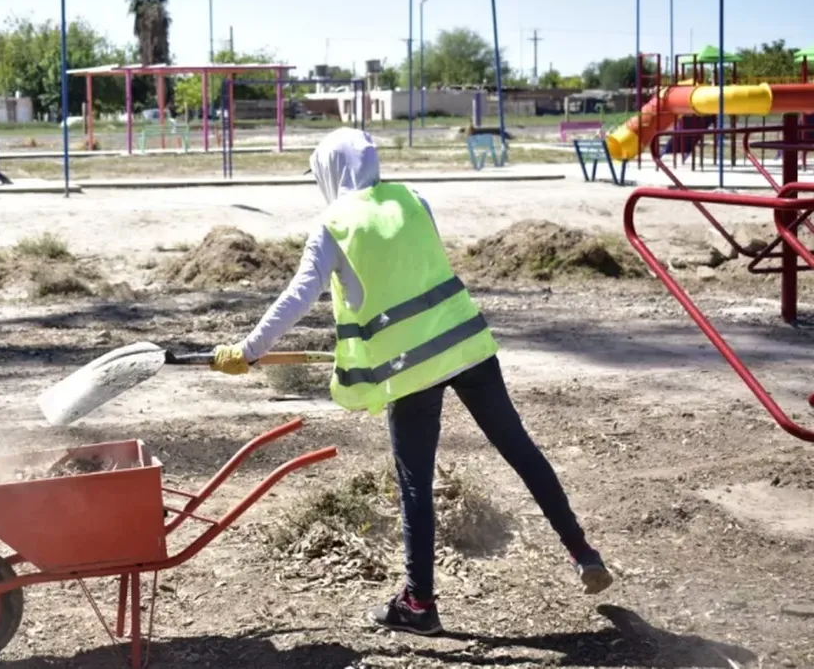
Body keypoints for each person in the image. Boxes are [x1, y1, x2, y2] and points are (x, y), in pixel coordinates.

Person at [209, 127, 612, 636]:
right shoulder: (413, 199)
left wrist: (246, 352)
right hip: (468, 345)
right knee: (521, 451)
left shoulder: (333, 226)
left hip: (411, 368)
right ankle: (582, 551)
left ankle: (419, 603)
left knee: (415, 484)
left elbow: (298, 297)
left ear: (332, 171)